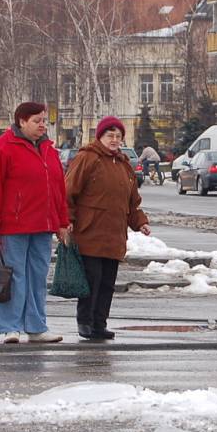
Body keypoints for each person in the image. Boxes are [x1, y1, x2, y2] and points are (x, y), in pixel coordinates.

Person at [0, 102, 70, 344]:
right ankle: (10, 327)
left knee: (38, 276)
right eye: (37, 121)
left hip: (43, 224)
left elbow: (58, 189)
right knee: (14, 276)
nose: (42, 125)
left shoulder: (49, 150)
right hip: (13, 225)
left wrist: (62, 221)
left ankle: (36, 325)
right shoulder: (3, 148)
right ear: (22, 121)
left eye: (44, 121)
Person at [65, 116, 150, 340]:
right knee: (91, 280)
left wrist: (139, 222)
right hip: (90, 231)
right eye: (109, 135)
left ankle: (99, 323)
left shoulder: (123, 164)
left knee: (107, 283)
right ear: (100, 137)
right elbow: (68, 192)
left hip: (114, 234)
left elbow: (132, 201)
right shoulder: (87, 158)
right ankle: (85, 322)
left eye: (118, 136)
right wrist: (67, 219)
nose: (114, 140)